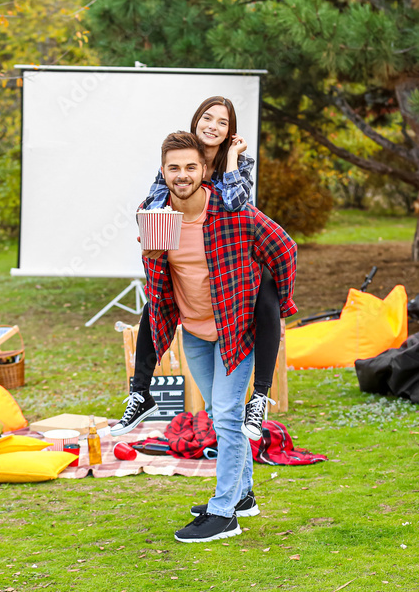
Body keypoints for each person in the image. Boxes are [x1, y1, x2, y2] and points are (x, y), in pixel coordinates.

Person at [141, 131, 297, 542]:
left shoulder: (232, 212)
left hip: (236, 331)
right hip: (192, 329)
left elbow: (285, 249)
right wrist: (151, 258)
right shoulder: (156, 215)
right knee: (218, 414)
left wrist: (273, 303)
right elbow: (158, 279)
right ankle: (243, 494)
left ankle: (224, 511)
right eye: (174, 167)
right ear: (163, 171)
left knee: (227, 416)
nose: (182, 175)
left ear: (204, 169)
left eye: (190, 166)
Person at [113, 96, 283, 440]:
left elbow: (237, 203)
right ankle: (140, 392)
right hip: (193, 264)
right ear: (196, 122)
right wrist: (153, 237)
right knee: (155, 300)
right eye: (208, 118)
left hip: (235, 258)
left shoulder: (236, 162)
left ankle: (260, 396)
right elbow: (153, 205)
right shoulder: (178, 160)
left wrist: (232, 159)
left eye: (223, 123)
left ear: (230, 133)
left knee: (267, 295)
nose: (213, 126)